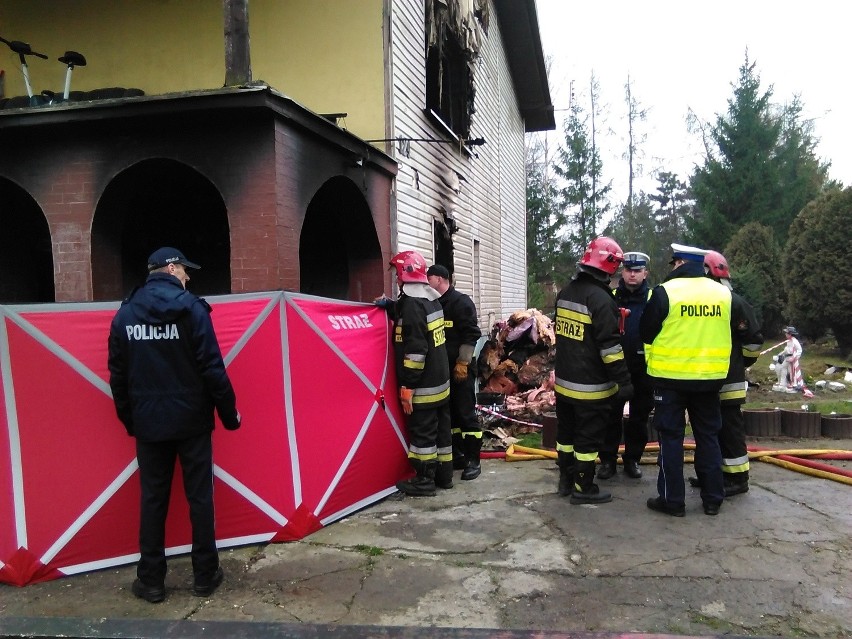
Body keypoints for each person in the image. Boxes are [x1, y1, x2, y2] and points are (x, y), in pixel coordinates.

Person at [107, 247, 241, 603]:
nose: (188, 277)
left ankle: (151, 581)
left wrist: (130, 420)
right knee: (200, 498)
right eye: (185, 270)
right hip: (193, 422)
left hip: (149, 424)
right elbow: (212, 367)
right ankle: (205, 577)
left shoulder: (125, 314)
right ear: (171, 267)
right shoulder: (193, 309)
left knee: (153, 500)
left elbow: (117, 377)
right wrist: (230, 415)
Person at [640, 243, 732, 517]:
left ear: (679, 264)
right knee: (708, 437)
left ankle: (672, 500)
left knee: (670, 439)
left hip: (670, 380)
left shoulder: (665, 292)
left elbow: (646, 332)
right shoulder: (723, 294)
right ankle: (713, 499)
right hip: (710, 380)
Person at [553, 236, 633, 505]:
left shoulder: (565, 293)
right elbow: (609, 348)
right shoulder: (600, 299)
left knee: (565, 436)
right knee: (587, 440)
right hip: (592, 388)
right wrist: (623, 381)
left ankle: (565, 481)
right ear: (609, 266)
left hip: (564, 384)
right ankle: (583, 487)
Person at [690, 250, 764, 496]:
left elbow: (753, 340)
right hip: (707, 380)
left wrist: (740, 365)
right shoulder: (709, 302)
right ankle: (713, 474)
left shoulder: (733, 302)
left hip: (727, 382)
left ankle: (737, 479)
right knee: (709, 431)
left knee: (730, 431)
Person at [388, 250, 453, 496]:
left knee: (423, 434)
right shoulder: (430, 299)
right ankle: (444, 477)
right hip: (440, 383)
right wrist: (390, 306)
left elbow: (416, 351)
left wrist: (408, 386)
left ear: (406, 274)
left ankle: (424, 481)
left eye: (398, 274)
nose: (396, 279)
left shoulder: (414, 305)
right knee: (442, 433)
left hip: (423, 387)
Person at [597, 251, 653, 481]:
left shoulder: (653, 297)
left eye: (637, 271)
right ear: (622, 271)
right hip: (615, 367)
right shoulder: (609, 296)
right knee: (611, 416)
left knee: (639, 418)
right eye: (629, 270)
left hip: (644, 368)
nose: (632, 274)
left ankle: (632, 459)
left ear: (645, 273)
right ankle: (608, 461)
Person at [426, 264, 483, 480]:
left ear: (440, 279)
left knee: (466, 415)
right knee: (450, 417)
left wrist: (463, 363)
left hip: (461, 371)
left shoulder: (460, 302)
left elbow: (471, 334)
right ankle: (458, 454)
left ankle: (473, 461)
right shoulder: (432, 304)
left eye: (428, 278)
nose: (425, 282)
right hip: (442, 372)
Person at [773, 326, 803, 393]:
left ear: (790, 334)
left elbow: (799, 350)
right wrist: (781, 353)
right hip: (787, 358)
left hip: (792, 359)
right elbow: (787, 349)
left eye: (787, 333)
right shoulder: (789, 341)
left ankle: (793, 385)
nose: (785, 334)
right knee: (783, 368)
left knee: (792, 372)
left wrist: (794, 358)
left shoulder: (795, 341)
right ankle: (782, 383)